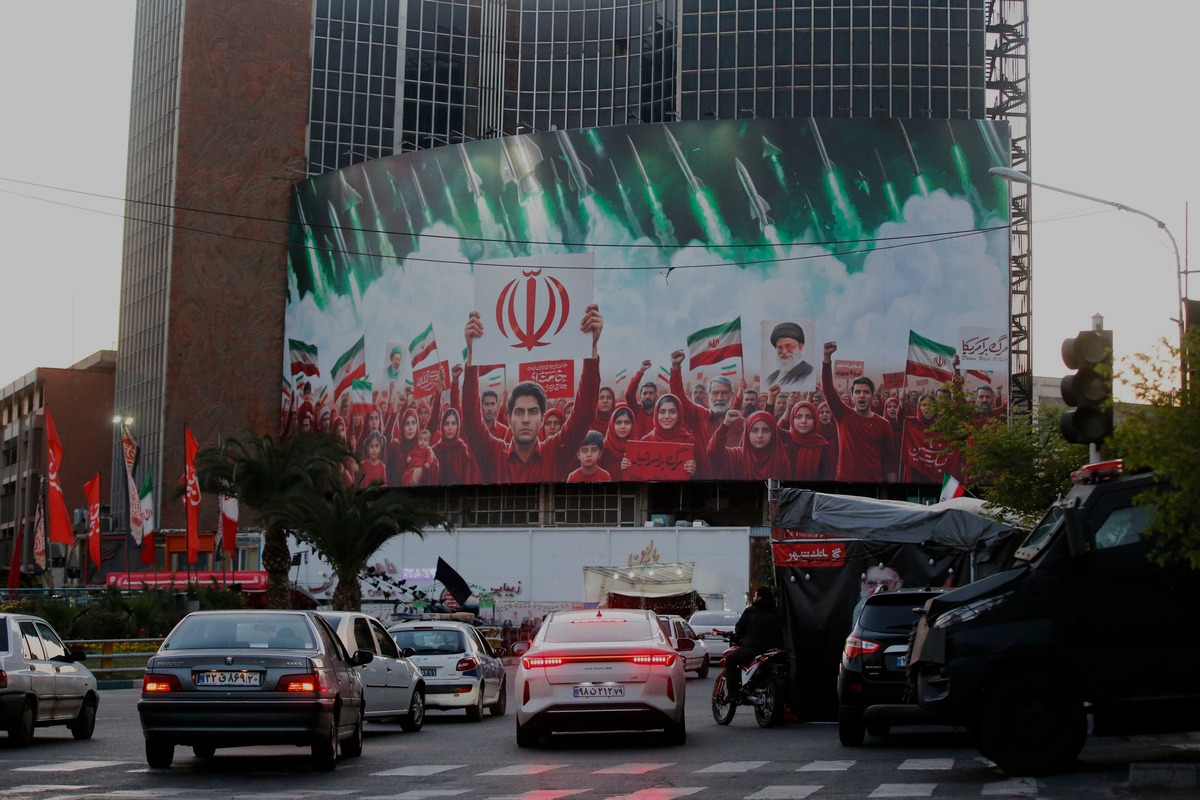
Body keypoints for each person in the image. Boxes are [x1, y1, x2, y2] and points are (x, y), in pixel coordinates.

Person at [461, 306, 602, 483]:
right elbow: (470, 419)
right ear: (509, 419)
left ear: (541, 419)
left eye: (533, 412)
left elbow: (583, 414)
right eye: (519, 412)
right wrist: (474, 354)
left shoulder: (556, 452)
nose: (526, 419)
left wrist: (590, 348)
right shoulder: (492, 453)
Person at [821, 341, 894, 483]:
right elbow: (828, 390)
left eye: (866, 392)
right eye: (858, 392)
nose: (861, 395)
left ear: (872, 396)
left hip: (873, 485)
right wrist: (826, 358)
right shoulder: (843, 415)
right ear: (852, 395)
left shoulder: (884, 424)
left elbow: (890, 459)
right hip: (844, 483)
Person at [725, 586, 785, 696]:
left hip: (753, 650)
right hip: (775, 650)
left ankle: (732, 693)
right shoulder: (778, 612)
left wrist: (740, 637)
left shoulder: (750, 611)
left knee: (730, 659)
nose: (754, 597)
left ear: (759, 597)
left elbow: (739, 628)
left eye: (755, 595)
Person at [765, 321, 814, 389]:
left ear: (800, 347)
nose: (784, 352)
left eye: (789, 346)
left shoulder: (808, 373)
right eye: (780, 347)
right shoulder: (771, 378)